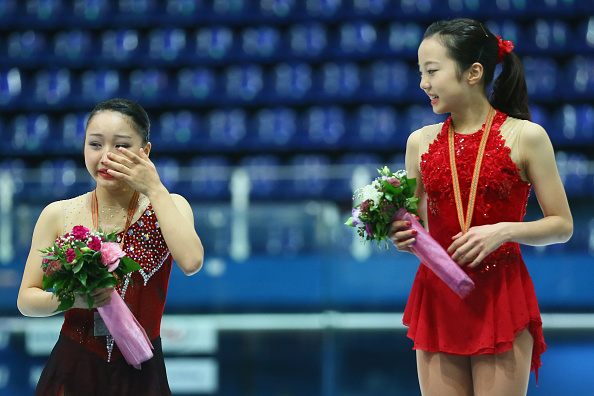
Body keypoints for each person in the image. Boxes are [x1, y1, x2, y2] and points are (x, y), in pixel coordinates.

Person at [388, 18, 573, 396]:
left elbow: (562, 225)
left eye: (432, 71)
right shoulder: (418, 143)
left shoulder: (526, 136)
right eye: (421, 72)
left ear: (473, 72)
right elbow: (418, 230)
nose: (423, 83)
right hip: (438, 296)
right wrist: (402, 236)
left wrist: (505, 230)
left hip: (500, 294)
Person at [17, 98, 204, 395]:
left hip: (142, 369)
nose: (106, 156)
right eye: (95, 144)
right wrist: (71, 299)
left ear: (146, 152)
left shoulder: (170, 205)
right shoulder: (58, 214)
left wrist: (155, 188)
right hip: (74, 366)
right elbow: (26, 300)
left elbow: (192, 262)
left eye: (121, 145)